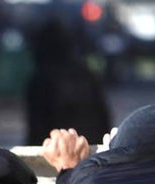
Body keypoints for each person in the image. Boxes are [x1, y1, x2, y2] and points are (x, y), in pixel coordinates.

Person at [24, 18, 111, 147]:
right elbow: (103, 116)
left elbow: (37, 128)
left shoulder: (42, 80)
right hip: (89, 149)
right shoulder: (84, 74)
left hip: (60, 151)